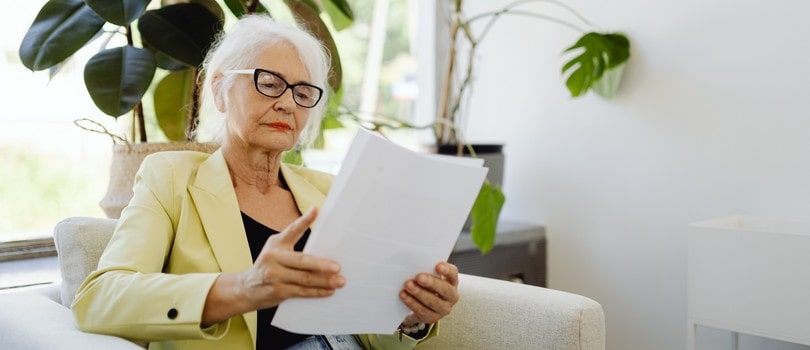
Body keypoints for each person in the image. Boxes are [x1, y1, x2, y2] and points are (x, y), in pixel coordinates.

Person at [72, 15, 459, 350]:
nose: (288, 103)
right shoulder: (170, 178)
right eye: (270, 83)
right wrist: (245, 287)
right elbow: (99, 299)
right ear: (220, 90)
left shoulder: (330, 190)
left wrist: (410, 316)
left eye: (303, 92)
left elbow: (364, 328)